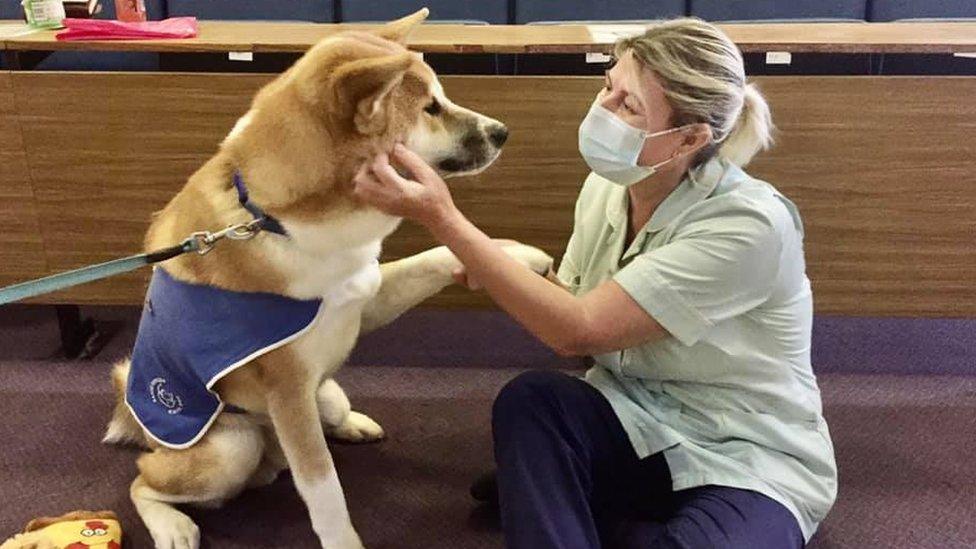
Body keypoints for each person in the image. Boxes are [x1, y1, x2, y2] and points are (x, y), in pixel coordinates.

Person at [353, 18, 837, 549]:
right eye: (609, 86)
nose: (602, 110)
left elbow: (577, 332)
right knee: (532, 400)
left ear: (691, 138)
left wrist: (446, 221)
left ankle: (590, 510)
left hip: (743, 454)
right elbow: (575, 309)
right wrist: (500, 269)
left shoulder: (749, 225)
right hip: (634, 419)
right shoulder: (610, 186)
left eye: (629, 106)